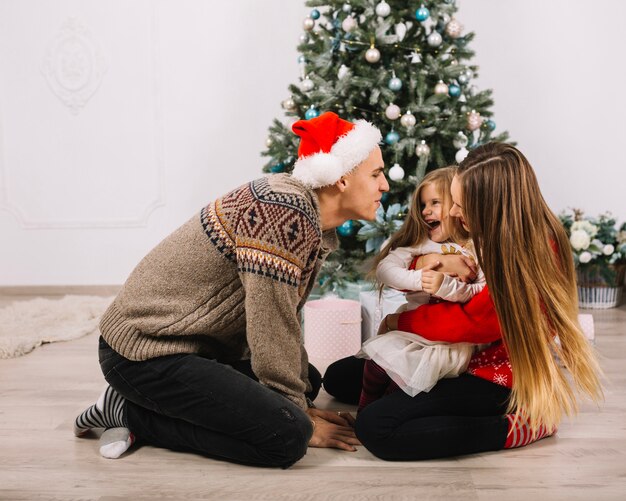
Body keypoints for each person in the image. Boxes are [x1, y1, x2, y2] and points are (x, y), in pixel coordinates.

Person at [73, 111, 389, 467]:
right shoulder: (285, 210)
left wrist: (300, 401)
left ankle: (153, 404)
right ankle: (130, 412)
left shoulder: (306, 213)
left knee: (307, 380)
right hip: (145, 351)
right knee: (286, 437)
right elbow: (271, 324)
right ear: (342, 178)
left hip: (197, 344)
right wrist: (300, 418)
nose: (385, 185)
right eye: (376, 174)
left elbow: (283, 318)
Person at [324, 142, 603, 460]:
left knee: (376, 428)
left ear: (490, 204)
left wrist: (399, 321)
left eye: (461, 204)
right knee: (341, 377)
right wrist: (427, 265)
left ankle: (517, 426)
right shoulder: (492, 233)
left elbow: (473, 324)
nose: (453, 212)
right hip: (458, 354)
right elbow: (433, 264)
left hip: (497, 374)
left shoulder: (525, 251)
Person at [356, 167, 486, 411]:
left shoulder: (475, 249)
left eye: (435, 203)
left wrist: (447, 287)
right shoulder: (420, 245)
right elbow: (386, 270)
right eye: (423, 205)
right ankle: (366, 411)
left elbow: (480, 291)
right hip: (414, 332)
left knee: (402, 382)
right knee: (375, 365)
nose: (426, 211)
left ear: (458, 205)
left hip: (448, 343)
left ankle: (382, 412)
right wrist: (420, 279)